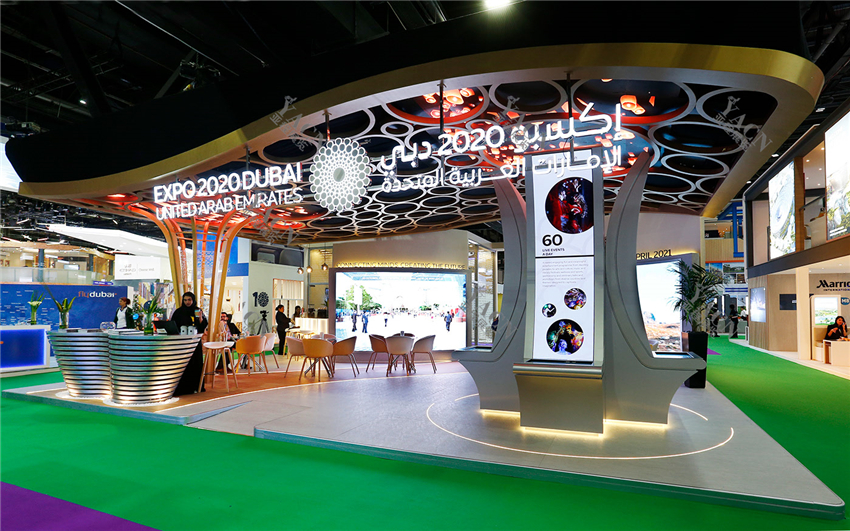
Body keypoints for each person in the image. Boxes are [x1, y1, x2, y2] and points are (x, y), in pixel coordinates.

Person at [172, 292, 207, 395]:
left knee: (195, 365)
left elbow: (202, 327)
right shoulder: (179, 312)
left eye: (189, 300)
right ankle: (182, 388)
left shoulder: (197, 311)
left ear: (193, 300)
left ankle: (196, 387)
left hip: (194, 342)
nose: (187, 302)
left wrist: (200, 318)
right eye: (185, 300)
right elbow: (173, 325)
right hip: (181, 343)